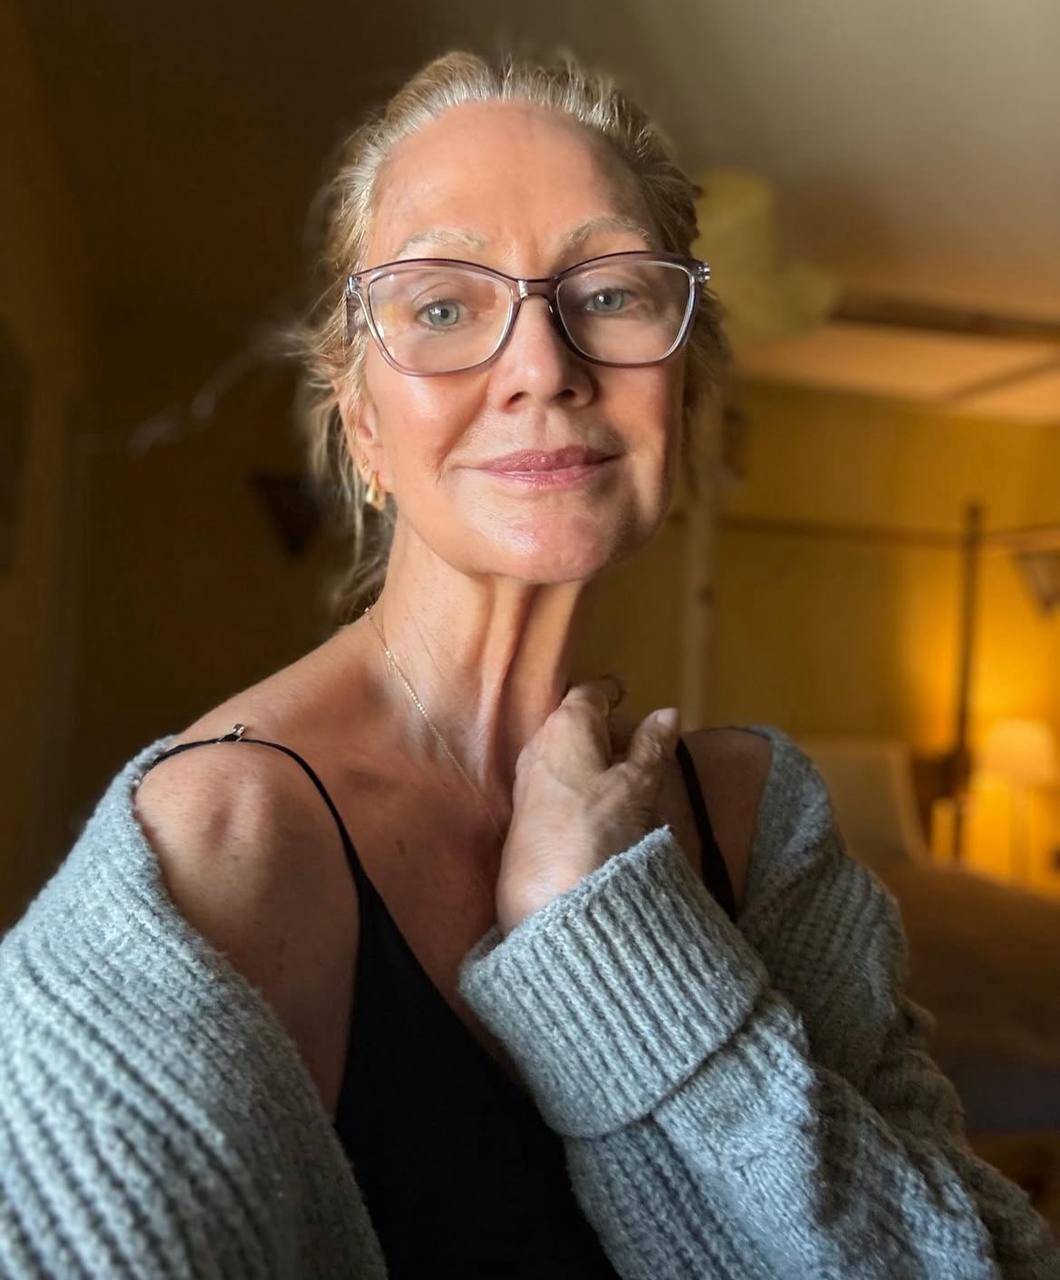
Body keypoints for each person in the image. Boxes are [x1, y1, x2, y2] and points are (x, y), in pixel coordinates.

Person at [1, 46, 1057, 1280]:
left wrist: (602, 928)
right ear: (362, 422)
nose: (544, 365)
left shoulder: (760, 820)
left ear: (682, 389)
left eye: (608, 292)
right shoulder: (214, 847)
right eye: (444, 306)